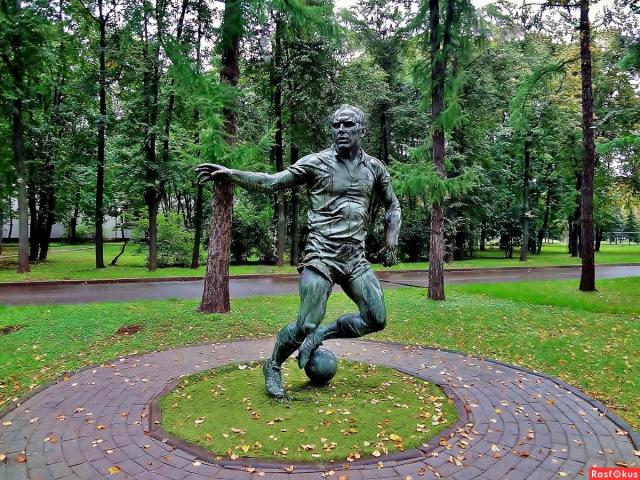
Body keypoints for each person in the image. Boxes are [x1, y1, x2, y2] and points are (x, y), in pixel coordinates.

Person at [196, 104, 401, 399]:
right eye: (336, 125)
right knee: (306, 323)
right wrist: (232, 174)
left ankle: (321, 335)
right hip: (321, 255)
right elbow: (272, 182)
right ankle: (273, 365)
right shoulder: (316, 163)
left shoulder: (374, 168)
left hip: (355, 258)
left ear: (362, 130)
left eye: (347, 125)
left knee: (376, 319)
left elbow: (393, 205)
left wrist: (391, 241)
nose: (341, 130)